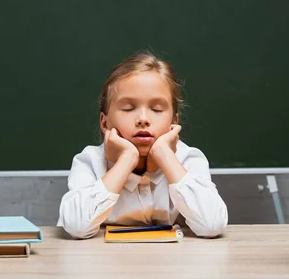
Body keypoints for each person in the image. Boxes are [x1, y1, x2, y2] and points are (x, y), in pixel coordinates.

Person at [57, 51, 228, 239]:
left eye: (157, 109)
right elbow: (76, 226)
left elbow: (212, 225)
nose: (143, 119)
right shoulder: (89, 161)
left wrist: (164, 155)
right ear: (105, 123)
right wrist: (126, 160)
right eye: (128, 109)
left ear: (174, 122)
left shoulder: (188, 159)